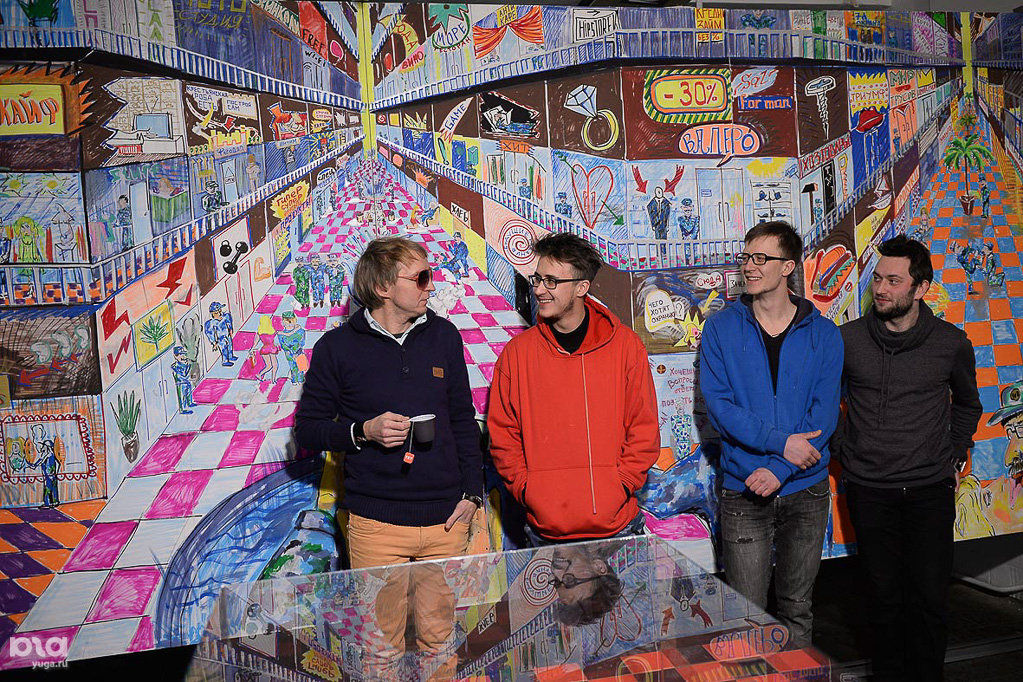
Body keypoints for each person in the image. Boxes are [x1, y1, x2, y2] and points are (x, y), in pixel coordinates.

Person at [294, 237, 484, 675]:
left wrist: (473, 495)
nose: (430, 286)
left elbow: (462, 420)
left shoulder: (444, 336)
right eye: (421, 278)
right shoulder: (336, 348)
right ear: (382, 286)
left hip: (446, 522)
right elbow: (308, 430)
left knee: (441, 648)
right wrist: (363, 431)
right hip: (376, 527)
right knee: (380, 653)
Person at [839, 235, 982, 681]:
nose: (881, 289)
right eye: (878, 279)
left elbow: (968, 404)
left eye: (894, 281)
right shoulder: (848, 340)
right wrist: (845, 451)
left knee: (930, 600)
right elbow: (821, 403)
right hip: (869, 490)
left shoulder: (950, 343)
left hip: (928, 491)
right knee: (882, 600)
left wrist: (953, 454)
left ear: (921, 288)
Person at [699, 220, 842, 649]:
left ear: (788, 267)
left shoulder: (824, 333)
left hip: (806, 488)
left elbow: (824, 415)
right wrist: (781, 445)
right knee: (747, 613)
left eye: (761, 258)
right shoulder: (721, 329)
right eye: (746, 257)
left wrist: (780, 468)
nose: (749, 266)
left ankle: (796, 677)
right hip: (744, 488)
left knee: (797, 607)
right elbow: (721, 408)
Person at [488, 233, 659, 545]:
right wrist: (528, 490)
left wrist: (619, 485)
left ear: (582, 287)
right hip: (545, 531)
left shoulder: (625, 347)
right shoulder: (517, 354)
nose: (539, 289)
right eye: (537, 279)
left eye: (551, 281)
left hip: (619, 528)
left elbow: (643, 430)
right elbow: (503, 435)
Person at [204, 301, 236, 367]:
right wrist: (214, 342)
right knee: (224, 349)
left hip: (227, 335)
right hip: (221, 338)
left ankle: (230, 356)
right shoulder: (212, 323)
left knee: (230, 345)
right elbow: (210, 333)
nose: (219, 313)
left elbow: (229, 322)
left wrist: (230, 329)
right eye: (217, 312)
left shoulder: (225, 317)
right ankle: (225, 361)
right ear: (213, 313)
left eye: (220, 310)